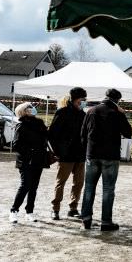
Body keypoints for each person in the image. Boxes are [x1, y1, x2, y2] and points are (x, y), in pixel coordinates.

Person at [80, 89, 132, 231]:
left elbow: (83, 133)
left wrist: (87, 152)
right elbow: (128, 132)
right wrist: (123, 114)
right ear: (117, 100)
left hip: (92, 154)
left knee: (89, 187)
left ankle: (86, 218)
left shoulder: (91, 111)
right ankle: (106, 221)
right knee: (108, 189)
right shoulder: (117, 113)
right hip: (110, 155)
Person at [48, 87, 87, 220]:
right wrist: (58, 151)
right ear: (76, 99)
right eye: (82, 99)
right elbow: (52, 134)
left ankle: (73, 208)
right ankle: (55, 208)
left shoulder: (83, 115)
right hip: (66, 155)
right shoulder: (62, 112)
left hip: (80, 155)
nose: (84, 102)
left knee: (79, 183)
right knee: (61, 182)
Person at [9, 102, 49, 223]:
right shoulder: (21, 126)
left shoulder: (40, 124)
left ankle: (29, 211)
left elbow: (46, 139)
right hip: (26, 161)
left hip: (39, 160)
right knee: (25, 185)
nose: (33, 109)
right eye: (29, 107)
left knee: (34, 187)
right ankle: (13, 211)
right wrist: (30, 152)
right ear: (23, 111)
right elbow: (16, 144)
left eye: (32, 107)